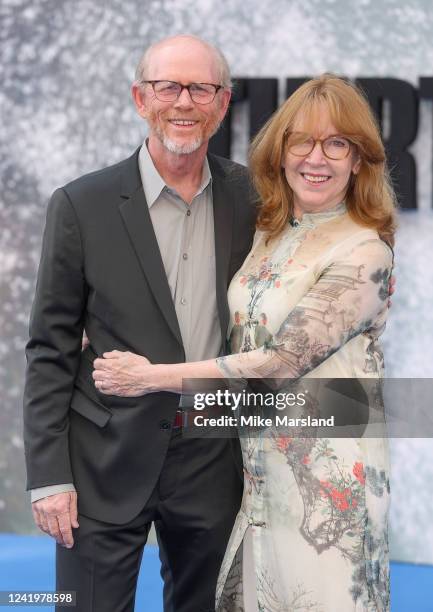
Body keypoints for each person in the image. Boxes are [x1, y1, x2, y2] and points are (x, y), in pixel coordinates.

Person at [93, 75, 396, 611]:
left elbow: (280, 362)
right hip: (256, 476)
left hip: (328, 484)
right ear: (280, 154)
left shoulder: (364, 250)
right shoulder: (270, 232)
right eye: (301, 141)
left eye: (337, 143)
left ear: (359, 160)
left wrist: (151, 376)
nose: (316, 158)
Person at [23, 35, 256, 612]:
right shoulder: (81, 205)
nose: (184, 101)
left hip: (213, 454)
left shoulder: (254, 199)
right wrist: (49, 476)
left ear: (222, 104)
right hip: (102, 456)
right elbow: (49, 348)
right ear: (139, 99)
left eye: (201, 88)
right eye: (167, 86)